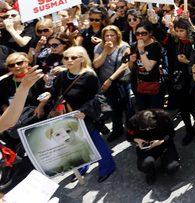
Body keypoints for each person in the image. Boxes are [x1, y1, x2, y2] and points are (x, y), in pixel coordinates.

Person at [36, 46, 116, 182]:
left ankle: (107, 166)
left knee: (95, 142)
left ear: (82, 59)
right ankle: (82, 167)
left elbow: (98, 97)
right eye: (66, 58)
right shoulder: (62, 75)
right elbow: (55, 93)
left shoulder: (89, 76)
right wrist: (45, 99)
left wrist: (84, 111)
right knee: (76, 144)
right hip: (67, 116)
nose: (69, 60)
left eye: (73, 57)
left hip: (84, 116)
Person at [93, 25, 131, 141]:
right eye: (106, 36)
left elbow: (125, 65)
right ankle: (117, 129)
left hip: (121, 81)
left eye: (112, 35)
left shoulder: (124, 46)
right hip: (106, 83)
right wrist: (105, 51)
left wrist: (111, 79)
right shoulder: (99, 47)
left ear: (117, 35)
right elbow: (96, 64)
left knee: (126, 106)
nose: (109, 38)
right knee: (114, 107)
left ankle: (131, 129)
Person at [126, 109, 181, 185]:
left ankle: (164, 161)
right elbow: (129, 137)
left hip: (163, 144)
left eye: (151, 127)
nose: (147, 130)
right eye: (144, 128)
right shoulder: (133, 122)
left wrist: (160, 142)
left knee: (172, 167)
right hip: (147, 147)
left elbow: (171, 134)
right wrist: (136, 140)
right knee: (144, 166)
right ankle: (151, 172)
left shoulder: (163, 116)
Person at [128, 22, 164, 110]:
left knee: (155, 113)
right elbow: (131, 67)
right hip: (140, 84)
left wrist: (141, 50)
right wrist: (131, 61)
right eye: (137, 33)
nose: (140, 36)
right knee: (143, 112)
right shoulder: (134, 45)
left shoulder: (155, 46)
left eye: (143, 33)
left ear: (150, 33)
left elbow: (148, 67)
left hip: (154, 84)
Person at [0, 65, 42, 133]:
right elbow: (6, 124)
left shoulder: (37, 78)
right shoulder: (4, 82)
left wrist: (41, 105)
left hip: (32, 117)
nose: (16, 66)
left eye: (19, 63)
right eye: (12, 65)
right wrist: (23, 88)